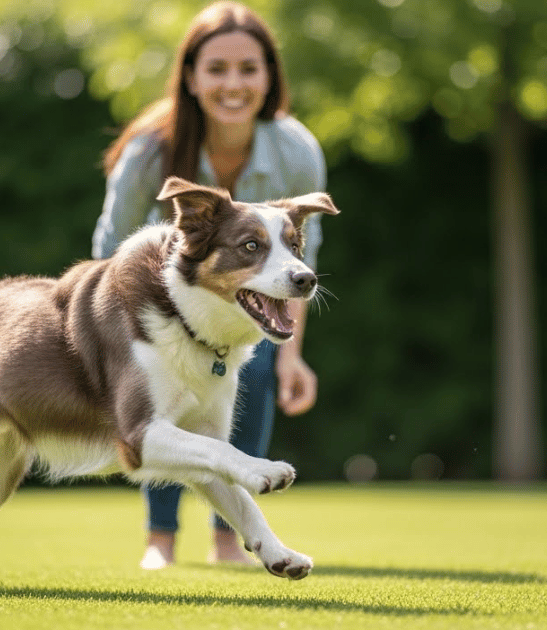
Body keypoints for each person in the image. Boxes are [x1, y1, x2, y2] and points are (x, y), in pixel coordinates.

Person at [91, 1, 327, 570]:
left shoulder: (296, 149)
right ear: (191, 78)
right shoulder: (149, 150)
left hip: (246, 304)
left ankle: (230, 539)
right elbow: (109, 247)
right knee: (162, 392)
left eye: (248, 68)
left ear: (269, 77)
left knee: (260, 370)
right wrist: (119, 347)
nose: (233, 83)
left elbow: (301, 260)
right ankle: (160, 539)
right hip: (152, 305)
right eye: (217, 68)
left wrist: (292, 355)